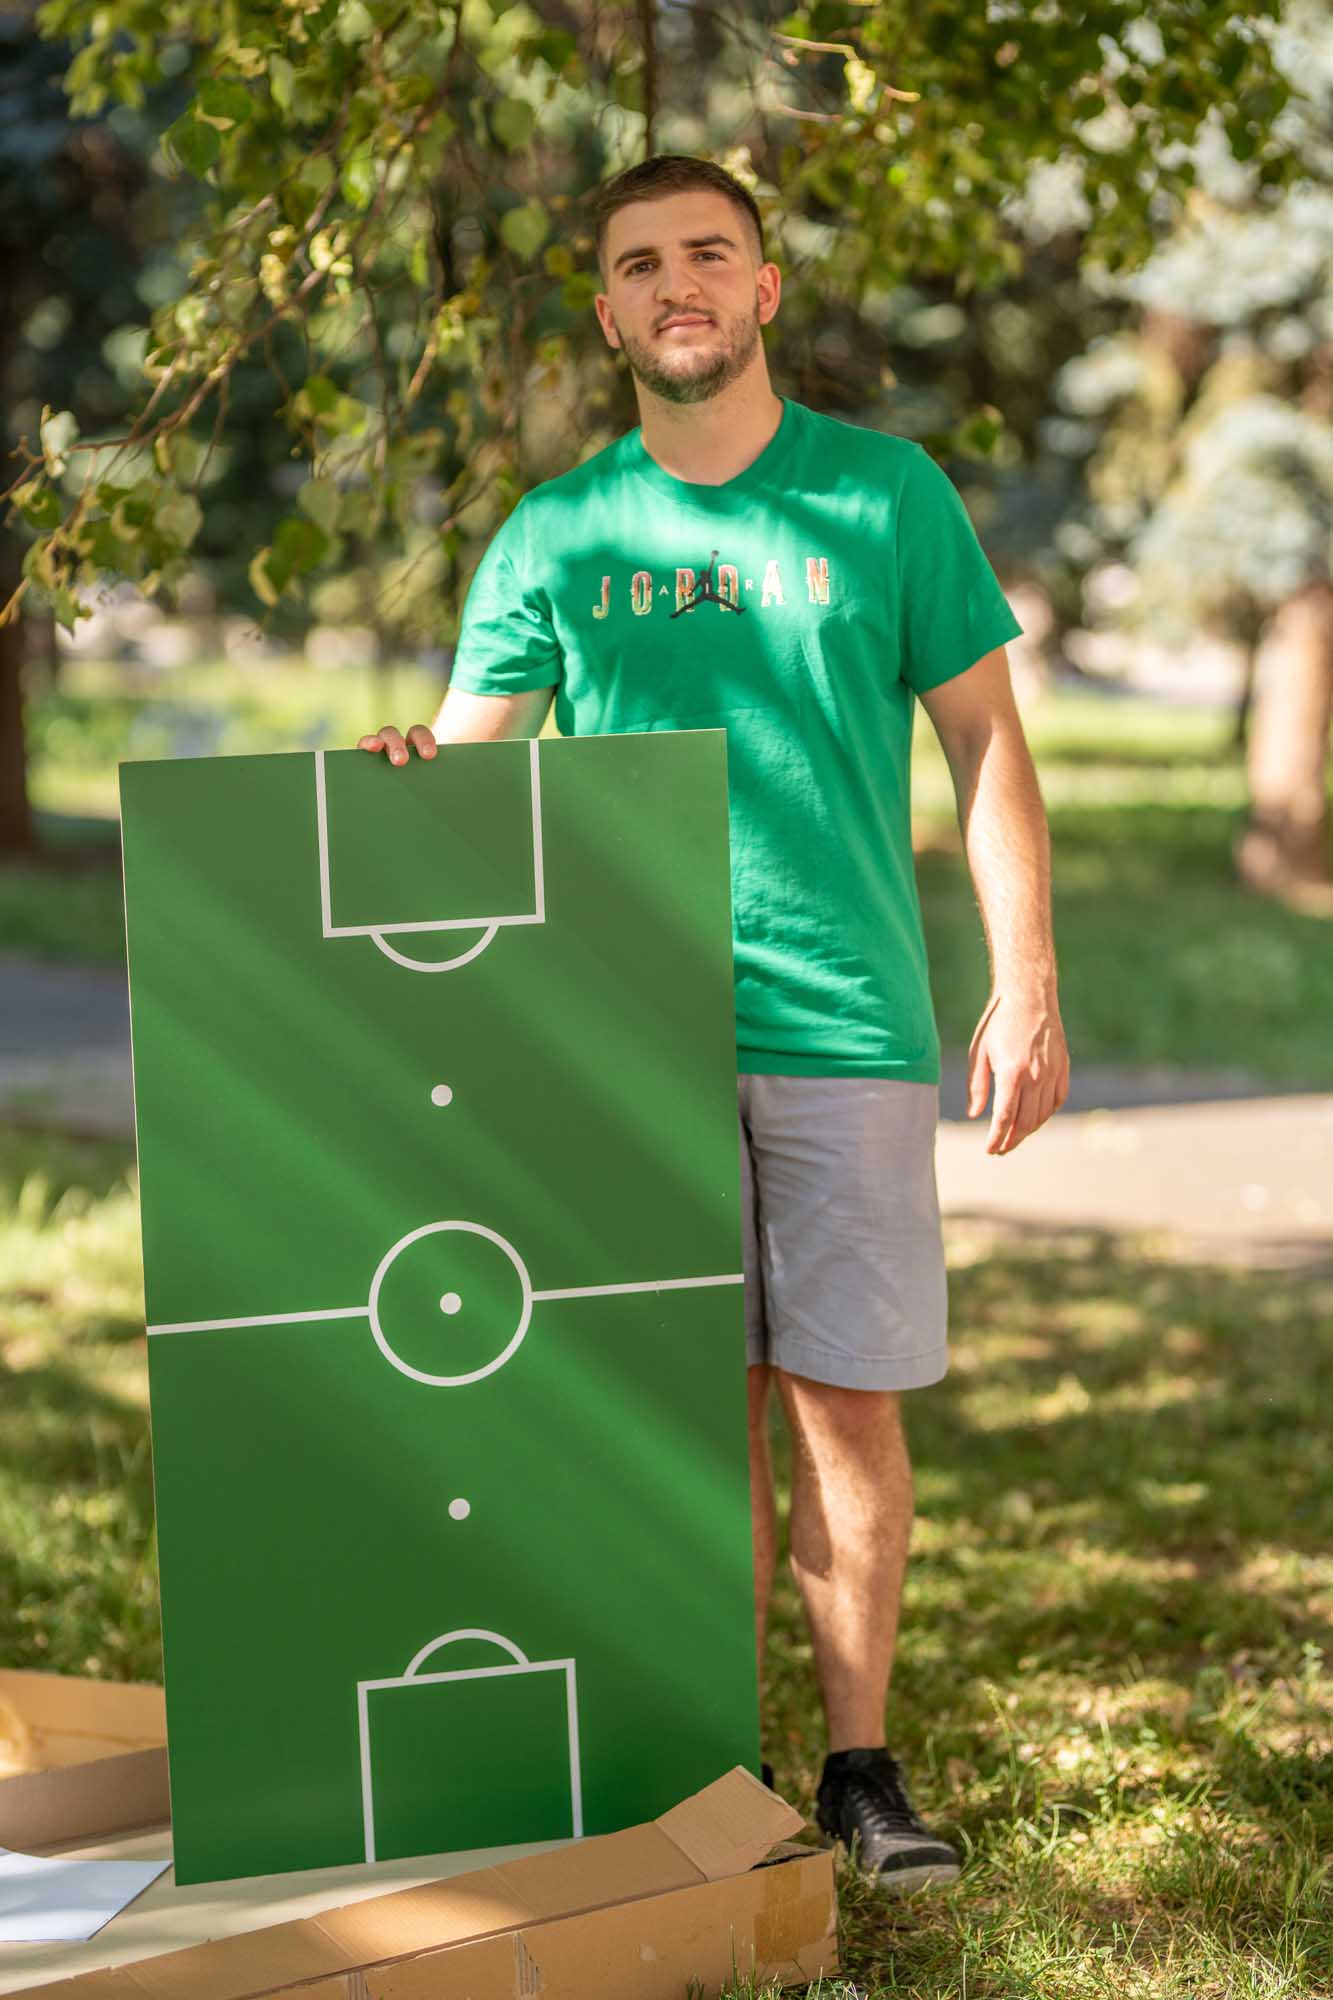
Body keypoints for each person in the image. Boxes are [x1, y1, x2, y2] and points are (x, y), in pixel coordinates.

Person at [359, 153, 1070, 1892]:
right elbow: (473, 758)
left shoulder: (883, 497)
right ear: (604, 314)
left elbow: (985, 742)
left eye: (707, 254)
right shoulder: (559, 532)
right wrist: (408, 778)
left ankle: (856, 1767)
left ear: (761, 291)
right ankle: (710, 1764)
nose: (674, 282)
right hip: (631, 1038)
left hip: (840, 1020)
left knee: (842, 1401)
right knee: (694, 1406)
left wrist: (1028, 978)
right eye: (636, 263)